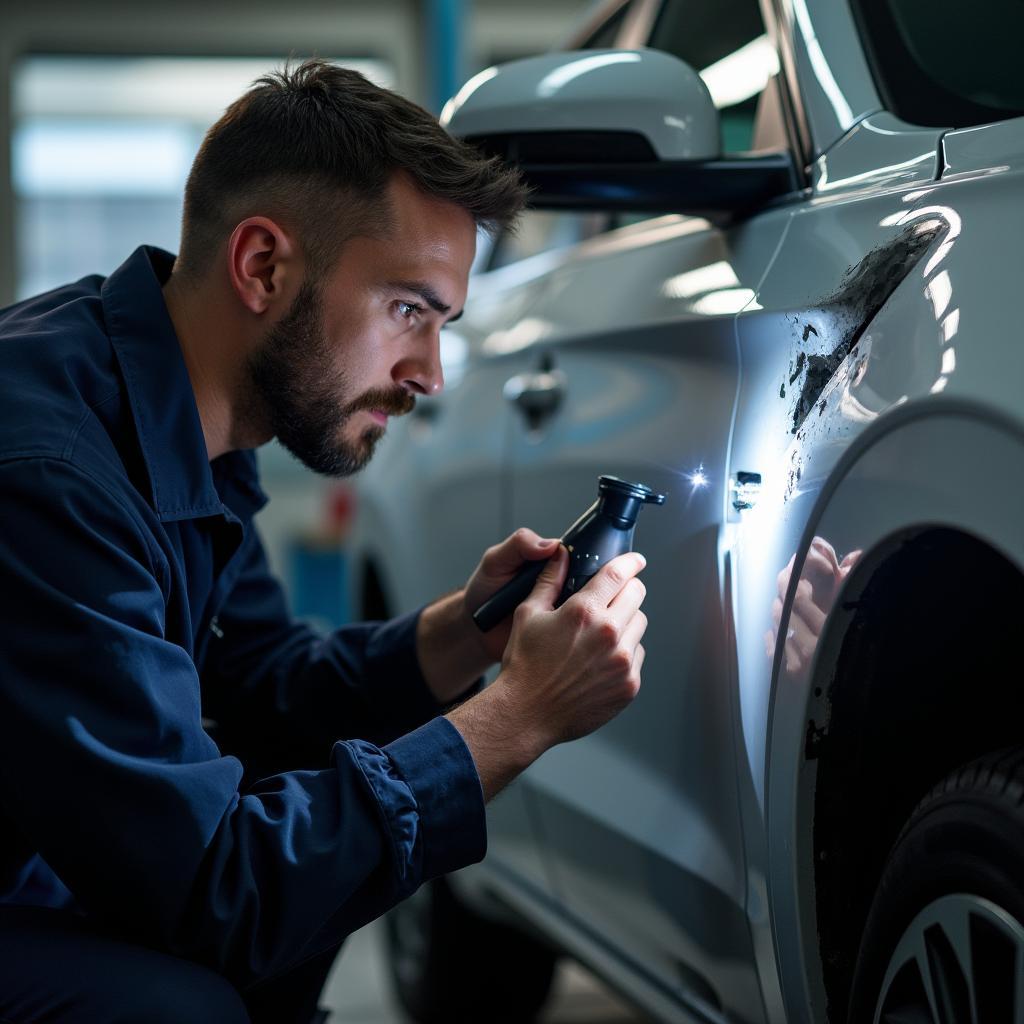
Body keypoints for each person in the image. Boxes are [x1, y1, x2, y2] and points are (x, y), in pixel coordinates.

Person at [0, 60, 649, 1022]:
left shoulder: (192, 421)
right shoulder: (50, 473)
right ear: (263, 266)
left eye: (443, 323)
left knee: (308, 855)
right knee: (185, 1001)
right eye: (407, 311)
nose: (428, 374)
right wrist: (519, 717)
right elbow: (215, 894)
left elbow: (261, 679)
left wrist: (468, 631)